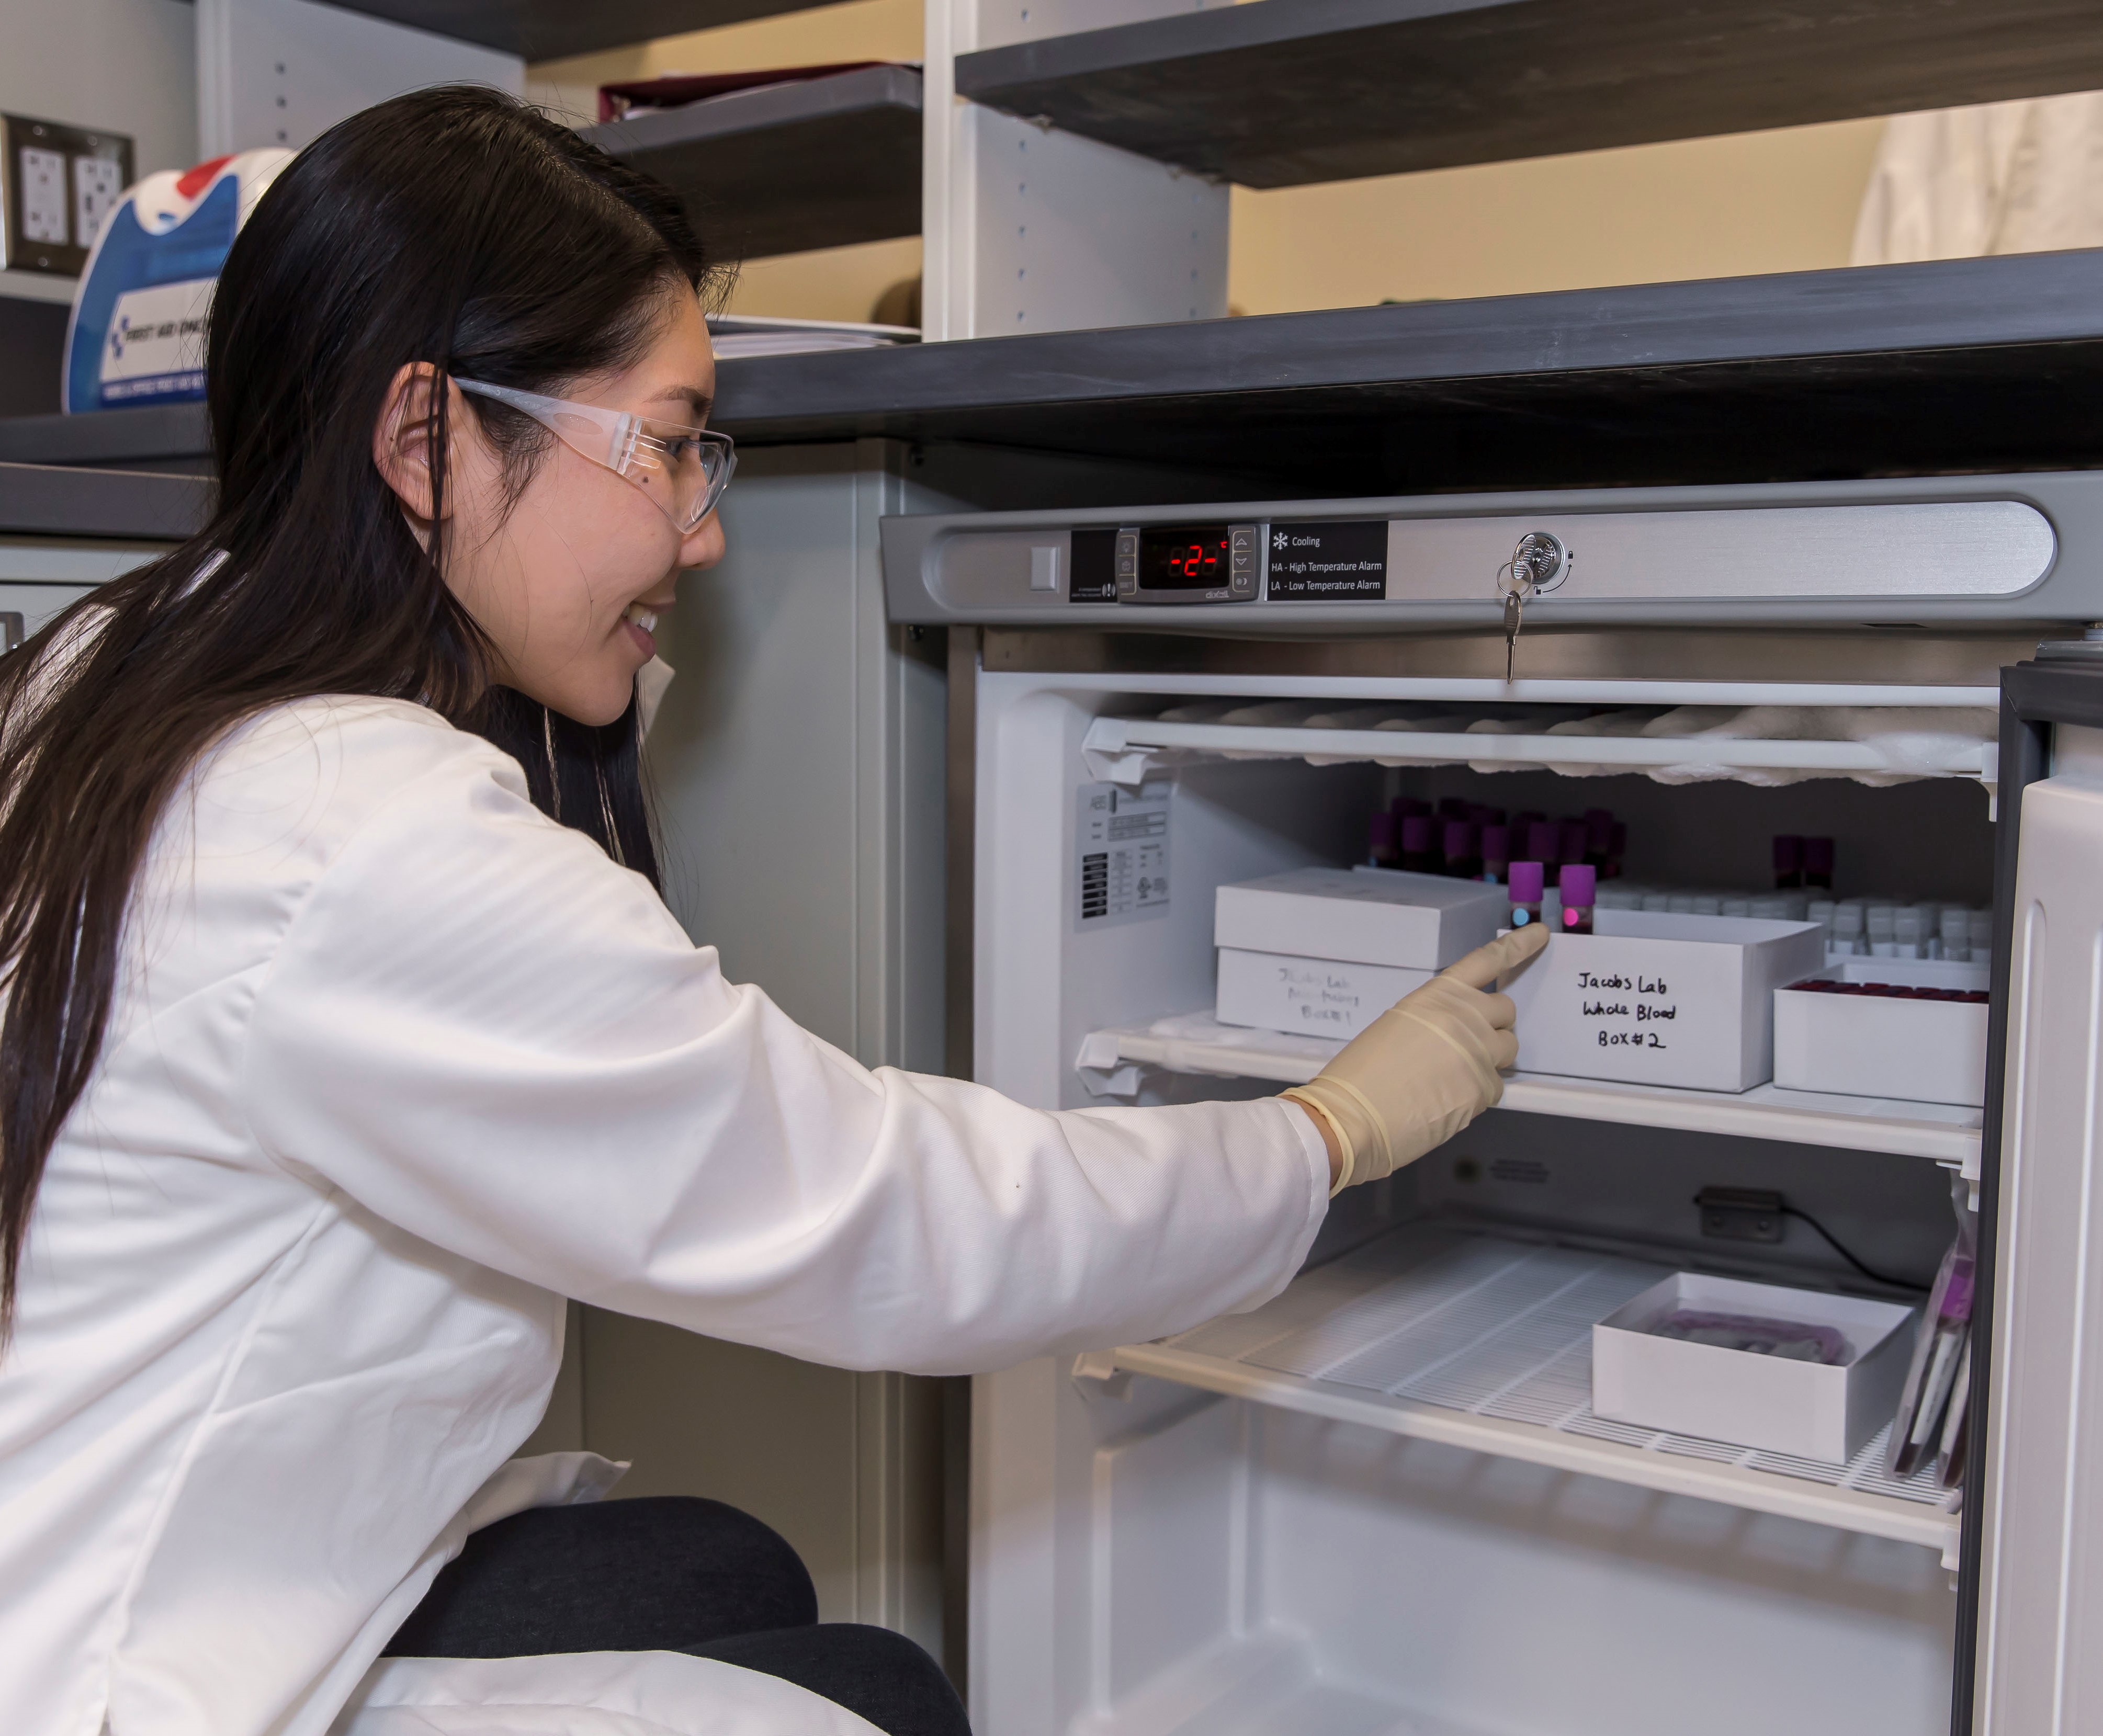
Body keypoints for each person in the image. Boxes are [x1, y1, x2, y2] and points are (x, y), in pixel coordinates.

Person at [0, 87, 1545, 1736]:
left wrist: (599, 621)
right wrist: (1321, 1132)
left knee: (723, 1568)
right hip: (115, 1680)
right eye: (667, 444)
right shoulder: (358, 836)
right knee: (877, 1694)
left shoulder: (111, 669)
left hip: (124, 1554)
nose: (708, 524)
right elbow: (884, 1215)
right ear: (424, 437)